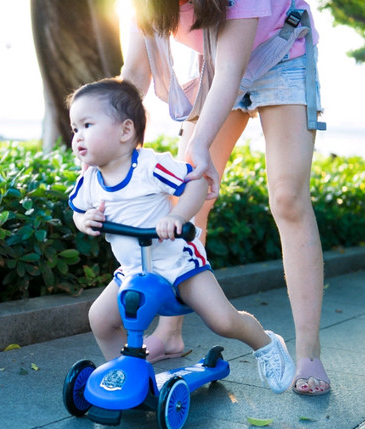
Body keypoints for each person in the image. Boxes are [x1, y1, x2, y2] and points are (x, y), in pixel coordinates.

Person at [120, 0, 330, 395]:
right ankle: (170, 333)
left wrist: (200, 147)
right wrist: (111, 152)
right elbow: (134, 73)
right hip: (216, 63)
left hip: (282, 50)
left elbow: (233, 72)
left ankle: (308, 352)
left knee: (287, 198)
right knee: (186, 199)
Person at [67, 78, 295, 393]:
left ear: (125, 131)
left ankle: (266, 344)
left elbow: (196, 183)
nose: (78, 136)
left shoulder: (148, 166)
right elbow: (78, 210)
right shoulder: (90, 179)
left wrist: (176, 216)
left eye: (87, 125)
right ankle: (129, 377)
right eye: (74, 128)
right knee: (100, 319)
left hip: (178, 264)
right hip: (135, 271)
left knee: (223, 321)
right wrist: (85, 220)